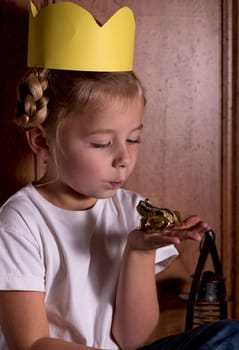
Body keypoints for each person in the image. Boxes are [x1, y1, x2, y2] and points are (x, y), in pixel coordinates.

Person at [0, 2, 239, 350]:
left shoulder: (133, 211)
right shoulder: (20, 221)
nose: (124, 158)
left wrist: (139, 253)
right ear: (40, 141)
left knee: (230, 335)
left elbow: (131, 339)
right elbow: (31, 343)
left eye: (133, 139)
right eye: (101, 143)